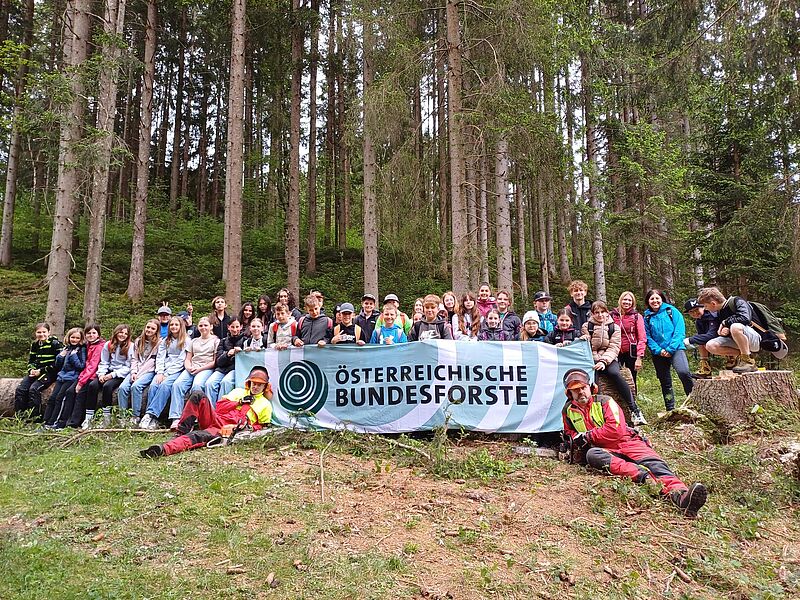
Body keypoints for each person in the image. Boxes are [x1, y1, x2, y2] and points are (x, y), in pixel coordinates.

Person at [561, 368, 708, 518]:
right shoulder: (568, 411)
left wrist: (588, 436)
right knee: (592, 455)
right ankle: (643, 476)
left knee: (655, 465)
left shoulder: (605, 402)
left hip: (627, 441)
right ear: (569, 394)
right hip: (603, 449)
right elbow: (569, 433)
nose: (580, 392)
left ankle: (682, 496)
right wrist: (576, 440)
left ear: (590, 387)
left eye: (583, 388)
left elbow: (615, 430)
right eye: (575, 390)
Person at [139, 366, 274, 459]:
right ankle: (180, 433)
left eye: (259, 384)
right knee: (197, 394)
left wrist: (247, 427)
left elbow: (262, 427)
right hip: (215, 418)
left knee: (197, 436)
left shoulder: (265, 405)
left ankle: (163, 449)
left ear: (265, 386)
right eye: (253, 383)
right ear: (249, 383)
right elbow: (219, 407)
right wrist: (238, 402)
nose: (255, 387)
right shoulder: (238, 392)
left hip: (225, 429)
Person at [581, 301, 647, 426]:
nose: (600, 315)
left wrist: (603, 361)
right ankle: (593, 416)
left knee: (615, 374)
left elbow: (614, 347)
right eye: (597, 313)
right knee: (592, 382)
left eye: (602, 312)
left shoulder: (614, 327)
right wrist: (585, 341)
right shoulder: (587, 326)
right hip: (591, 360)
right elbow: (587, 347)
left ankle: (634, 410)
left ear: (607, 312)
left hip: (609, 359)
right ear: (592, 313)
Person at [697, 287, 787, 374]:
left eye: (705, 305)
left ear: (713, 303)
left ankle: (748, 361)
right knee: (710, 346)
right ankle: (743, 355)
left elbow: (745, 318)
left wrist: (725, 322)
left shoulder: (737, 301)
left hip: (757, 339)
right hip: (739, 341)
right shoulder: (720, 312)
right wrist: (724, 332)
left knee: (735, 327)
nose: (705, 308)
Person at [644, 289, 693, 410]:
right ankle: (670, 408)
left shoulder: (671, 311)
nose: (655, 301)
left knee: (684, 372)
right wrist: (658, 350)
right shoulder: (647, 316)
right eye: (652, 299)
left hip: (676, 349)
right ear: (648, 301)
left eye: (657, 298)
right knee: (665, 381)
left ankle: (693, 401)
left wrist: (670, 349)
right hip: (658, 353)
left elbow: (679, 331)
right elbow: (647, 336)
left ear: (662, 299)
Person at [169, 316, 219, 428]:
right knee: (177, 385)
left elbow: (215, 361)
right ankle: (176, 417)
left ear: (211, 327)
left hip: (206, 368)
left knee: (197, 385)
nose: (203, 327)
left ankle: (195, 417)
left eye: (206, 325)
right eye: (201, 325)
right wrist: (188, 367)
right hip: (191, 367)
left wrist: (200, 369)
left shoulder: (215, 341)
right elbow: (187, 358)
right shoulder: (193, 341)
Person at [139, 317, 188, 430]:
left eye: (176, 325)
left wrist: (168, 374)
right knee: (154, 385)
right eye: (172, 325)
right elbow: (160, 358)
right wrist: (160, 372)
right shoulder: (165, 340)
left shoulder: (186, 340)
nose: (174, 327)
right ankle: (154, 420)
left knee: (165, 386)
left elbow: (182, 360)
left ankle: (150, 414)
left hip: (177, 370)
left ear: (181, 326)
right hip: (164, 369)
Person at [85, 324, 134, 429]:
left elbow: (128, 366)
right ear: (116, 332)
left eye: (125, 333)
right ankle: (89, 417)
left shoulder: (130, 346)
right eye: (121, 332)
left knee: (107, 387)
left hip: (120, 374)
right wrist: (101, 374)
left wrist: (112, 375)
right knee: (93, 385)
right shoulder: (108, 344)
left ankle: (106, 417)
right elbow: (104, 361)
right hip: (108, 371)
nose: (123, 335)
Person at [14, 322, 63, 419]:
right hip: (36, 372)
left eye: (44, 332)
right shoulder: (35, 345)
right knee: (21, 389)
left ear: (49, 332)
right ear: (35, 333)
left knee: (34, 389)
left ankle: (35, 418)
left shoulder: (55, 344)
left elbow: (58, 364)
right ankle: (20, 417)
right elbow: (31, 360)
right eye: (39, 332)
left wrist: (41, 371)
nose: (42, 334)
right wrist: (31, 369)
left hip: (50, 372)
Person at [117, 319, 161, 427]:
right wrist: (133, 372)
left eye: (152, 328)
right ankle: (123, 416)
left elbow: (153, 361)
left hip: (148, 371)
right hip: (136, 369)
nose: (149, 330)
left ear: (156, 330)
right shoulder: (138, 341)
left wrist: (139, 374)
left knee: (136, 386)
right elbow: (134, 359)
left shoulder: (159, 343)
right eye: (148, 327)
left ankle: (135, 416)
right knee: (122, 388)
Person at [42, 328, 86, 430]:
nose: (74, 340)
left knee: (60, 399)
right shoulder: (67, 348)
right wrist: (60, 357)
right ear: (69, 337)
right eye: (72, 337)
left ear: (81, 339)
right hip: (61, 377)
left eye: (77, 338)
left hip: (72, 378)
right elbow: (58, 365)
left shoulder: (81, 350)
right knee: (52, 398)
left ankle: (56, 422)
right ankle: (46, 421)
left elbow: (81, 366)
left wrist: (74, 356)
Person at [68, 324, 106, 429]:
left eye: (94, 333)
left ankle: (75, 422)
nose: (91, 335)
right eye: (88, 333)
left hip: (94, 375)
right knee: (70, 391)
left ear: (98, 334)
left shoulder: (99, 346)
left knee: (81, 394)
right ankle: (67, 419)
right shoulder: (87, 345)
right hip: (85, 374)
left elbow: (93, 366)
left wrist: (81, 382)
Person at [611, 291, 647, 396]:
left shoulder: (636, 316)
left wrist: (639, 357)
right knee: (615, 375)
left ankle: (633, 400)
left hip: (631, 351)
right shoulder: (612, 315)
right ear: (620, 301)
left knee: (632, 377)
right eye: (625, 299)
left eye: (629, 300)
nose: (627, 302)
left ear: (633, 303)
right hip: (615, 350)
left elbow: (642, 337)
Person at [205, 317, 245, 405]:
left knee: (226, 382)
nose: (235, 330)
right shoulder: (222, 341)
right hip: (222, 369)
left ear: (241, 327)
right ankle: (210, 411)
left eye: (237, 327)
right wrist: (228, 354)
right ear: (228, 327)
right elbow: (218, 361)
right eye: (232, 327)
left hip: (235, 370)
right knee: (210, 383)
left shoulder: (245, 341)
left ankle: (221, 410)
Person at [683, 298, 721, 379]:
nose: (695, 313)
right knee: (700, 340)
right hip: (715, 343)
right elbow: (702, 338)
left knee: (700, 339)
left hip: (727, 340)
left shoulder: (712, 316)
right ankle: (706, 368)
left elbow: (712, 335)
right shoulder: (699, 321)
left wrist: (690, 340)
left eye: (697, 309)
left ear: (703, 307)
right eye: (691, 312)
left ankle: (732, 359)